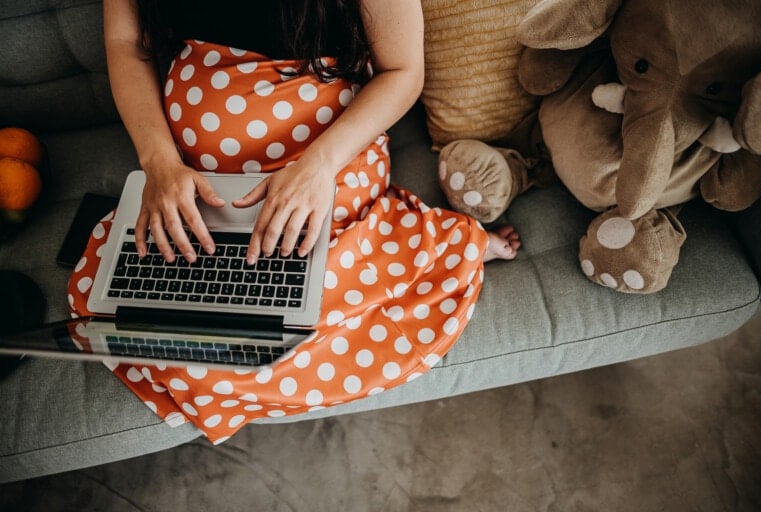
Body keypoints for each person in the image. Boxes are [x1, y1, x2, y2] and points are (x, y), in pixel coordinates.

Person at [67, 0, 521, 443]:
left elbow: (403, 71)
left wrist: (319, 167)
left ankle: (451, 242)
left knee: (266, 319)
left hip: (327, 159)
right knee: (152, 314)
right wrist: (158, 162)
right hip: (192, 180)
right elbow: (126, 42)